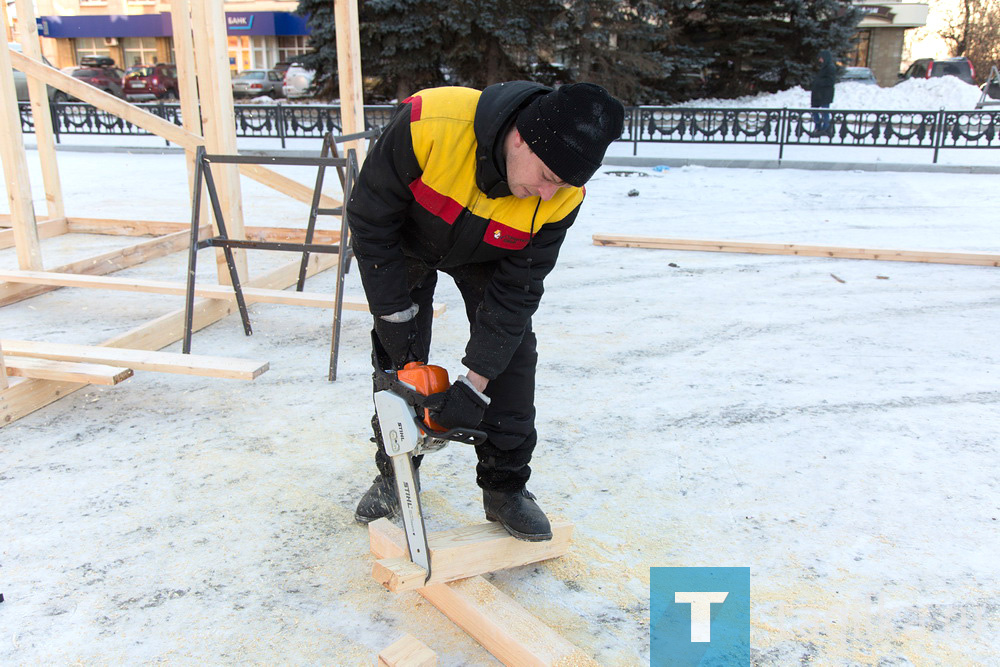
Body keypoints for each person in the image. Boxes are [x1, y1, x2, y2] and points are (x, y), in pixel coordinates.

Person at [346, 81, 625, 541]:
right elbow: (371, 220)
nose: (547, 195)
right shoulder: (428, 123)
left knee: (511, 357)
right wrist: (397, 327)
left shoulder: (562, 195)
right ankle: (396, 474)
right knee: (398, 362)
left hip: (492, 256)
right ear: (521, 137)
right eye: (548, 177)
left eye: (564, 185)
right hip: (408, 238)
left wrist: (474, 388)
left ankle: (505, 489)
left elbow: (518, 290)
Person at [810, 50, 836, 134]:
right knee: (815, 110)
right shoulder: (822, 67)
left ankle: (825, 129)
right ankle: (818, 127)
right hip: (818, 93)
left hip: (825, 93)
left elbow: (831, 81)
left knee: (825, 112)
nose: (820, 60)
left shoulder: (830, 67)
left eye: (821, 58)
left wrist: (819, 82)